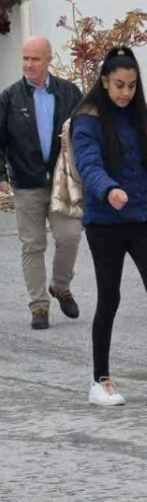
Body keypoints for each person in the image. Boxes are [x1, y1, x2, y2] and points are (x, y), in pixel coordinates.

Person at [0, 36, 84, 330]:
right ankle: (39, 305)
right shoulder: (9, 97)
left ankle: (60, 286)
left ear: (48, 59)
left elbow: (86, 133)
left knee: (69, 236)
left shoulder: (69, 93)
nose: (29, 65)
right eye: (25, 59)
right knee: (33, 245)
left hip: (62, 183)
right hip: (26, 183)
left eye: (35, 59)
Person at [70, 47, 145, 406]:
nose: (125, 93)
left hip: (141, 218)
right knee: (110, 298)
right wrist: (108, 189)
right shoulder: (88, 118)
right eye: (119, 85)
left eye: (131, 86)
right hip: (105, 223)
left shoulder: (139, 116)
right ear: (104, 81)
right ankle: (100, 381)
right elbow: (88, 162)